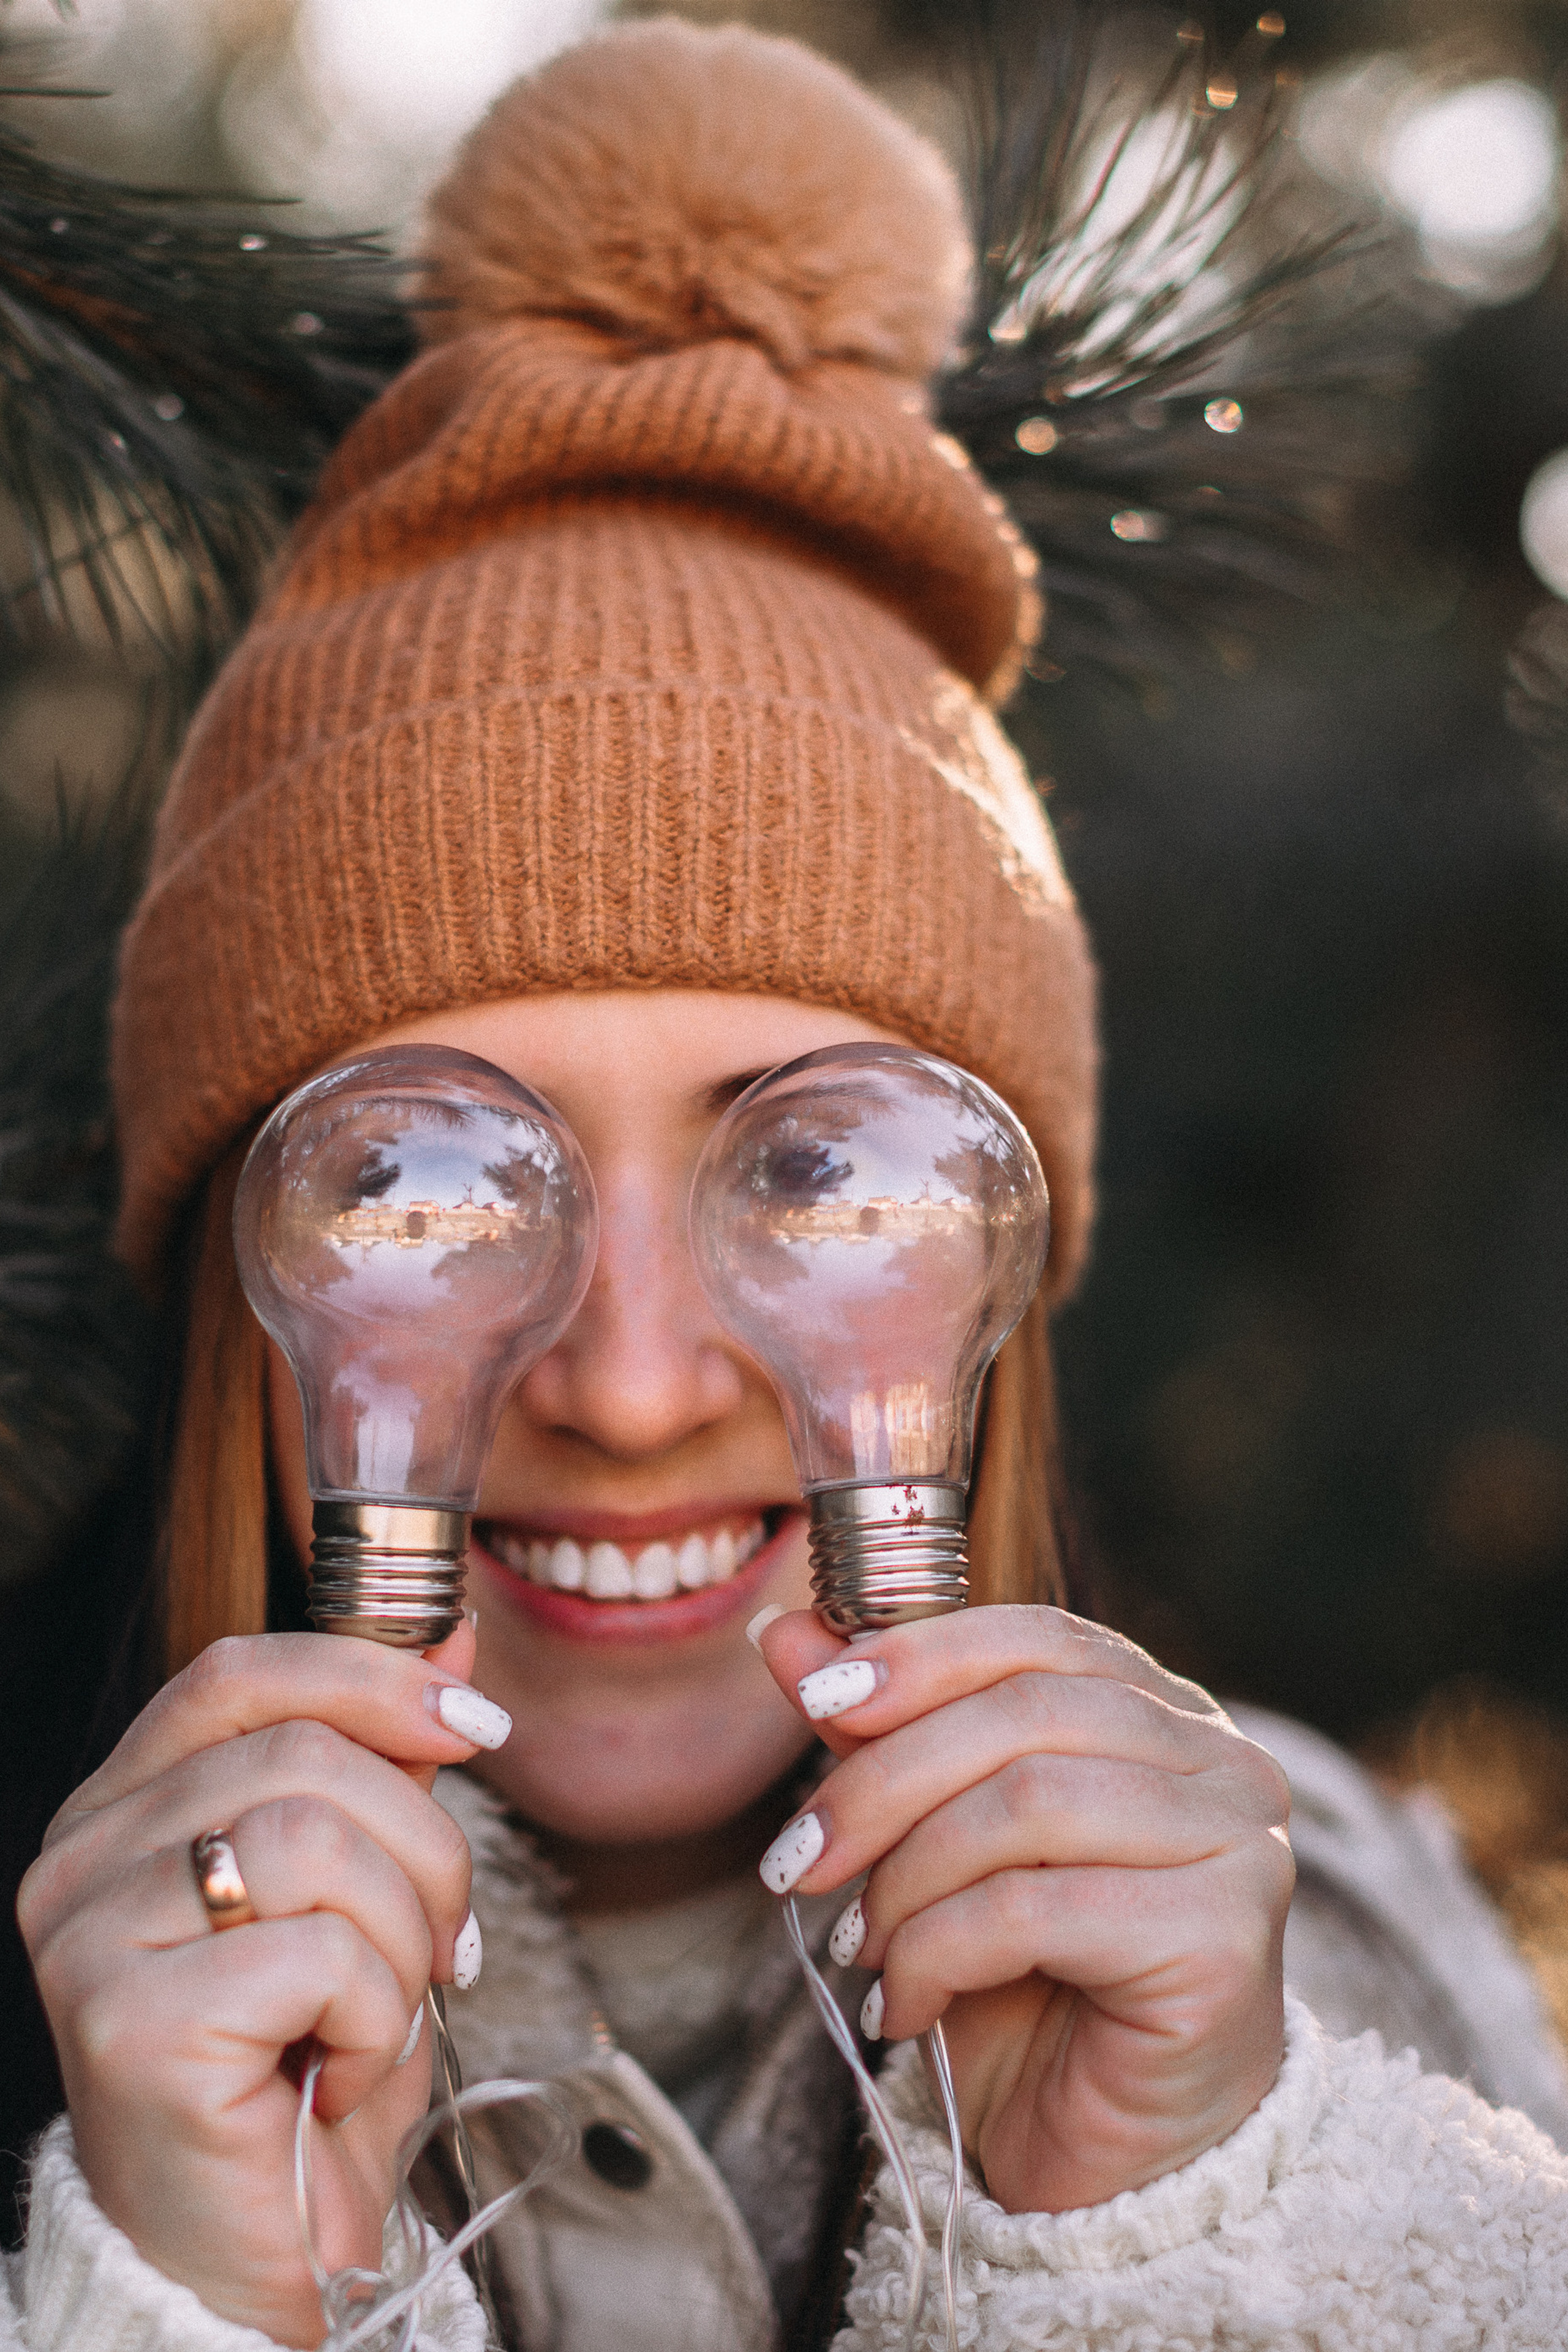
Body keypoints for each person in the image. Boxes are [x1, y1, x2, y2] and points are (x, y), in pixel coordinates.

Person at [7, 20, 1568, 2351]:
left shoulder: (1352, 1987)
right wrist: (206, 2300)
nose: (630, 1384)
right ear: (243, 1253)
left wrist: (1167, 2241)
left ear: (1006, 1262)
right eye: (435, 1174)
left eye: (816, 1162)